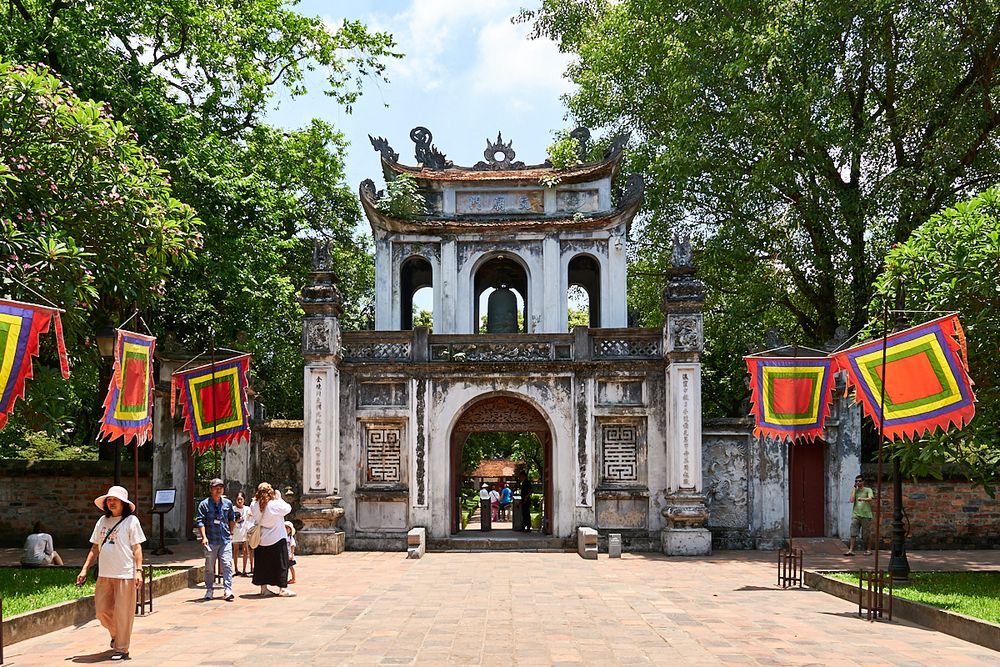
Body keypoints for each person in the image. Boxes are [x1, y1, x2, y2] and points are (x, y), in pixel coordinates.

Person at [75, 485, 146, 662]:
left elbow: (137, 548)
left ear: (123, 503)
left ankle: (122, 648)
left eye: (115, 499)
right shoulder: (102, 522)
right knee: (101, 610)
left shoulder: (132, 522)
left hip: (125, 574)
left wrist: (138, 571)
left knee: (123, 613)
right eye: (109, 499)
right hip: (105, 573)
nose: (111, 502)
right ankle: (116, 635)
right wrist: (85, 568)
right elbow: (95, 547)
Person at [250, 482, 295, 597]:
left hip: (261, 539)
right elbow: (288, 508)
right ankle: (282, 589)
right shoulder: (273, 505)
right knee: (281, 564)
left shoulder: (254, 504)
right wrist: (279, 498)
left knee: (262, 564)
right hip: (276, 538)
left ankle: (263, 589)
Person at [195, 478, 236, 601]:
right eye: (216, 488)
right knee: (209, 567)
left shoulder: (227, 503)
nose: (218, 490)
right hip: (211, 539)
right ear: (211, 490)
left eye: (221, 487)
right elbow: (200, 521)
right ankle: (209, 589)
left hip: (224, 539)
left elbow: (231, 518)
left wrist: (231, 532)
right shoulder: (204, 504)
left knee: (227, 564)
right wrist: (204, 537)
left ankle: (228, 589)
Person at [845, 475, 875, 556]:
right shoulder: (855, 491)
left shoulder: (868, 490)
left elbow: (870, 498)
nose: (858, 482)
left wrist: (862, 499)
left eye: (859, 481)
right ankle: (851, 550)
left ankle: (868, 550)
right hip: (856, 514)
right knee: (853, 532)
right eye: (856, 481)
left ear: (863, 481)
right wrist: (854, 490)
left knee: (866, 534)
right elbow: (851, 500)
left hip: (866, 515)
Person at [231, 491, 254, 576]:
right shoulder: (232, 509)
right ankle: (236, 569)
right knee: (235, 550)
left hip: (244, 532)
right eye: (238, 499)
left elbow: (252, 517)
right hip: (236, 532)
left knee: (245, 551)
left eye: (241, 499)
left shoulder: (247, 509)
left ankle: (244, 570)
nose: (240, 501)